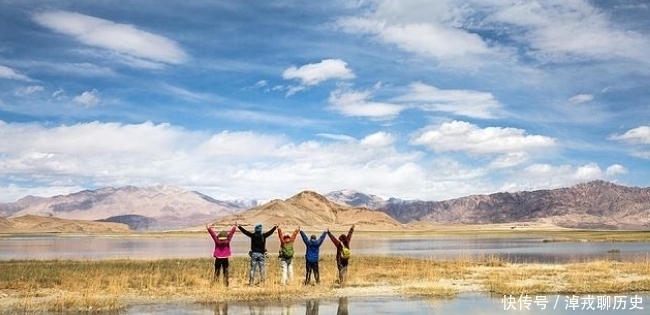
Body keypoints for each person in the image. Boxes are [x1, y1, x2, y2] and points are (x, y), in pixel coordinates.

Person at [206, 222, 237, 286]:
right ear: (226, 236)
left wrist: (209, 228)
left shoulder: (217, 241)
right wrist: (234, 227)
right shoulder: (227, 240)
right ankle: (226, 284)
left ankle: (216, 283)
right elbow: (231, 234)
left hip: (218, 258)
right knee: (226, 271)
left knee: (217, 271)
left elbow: (213, 234)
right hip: (225, 258)